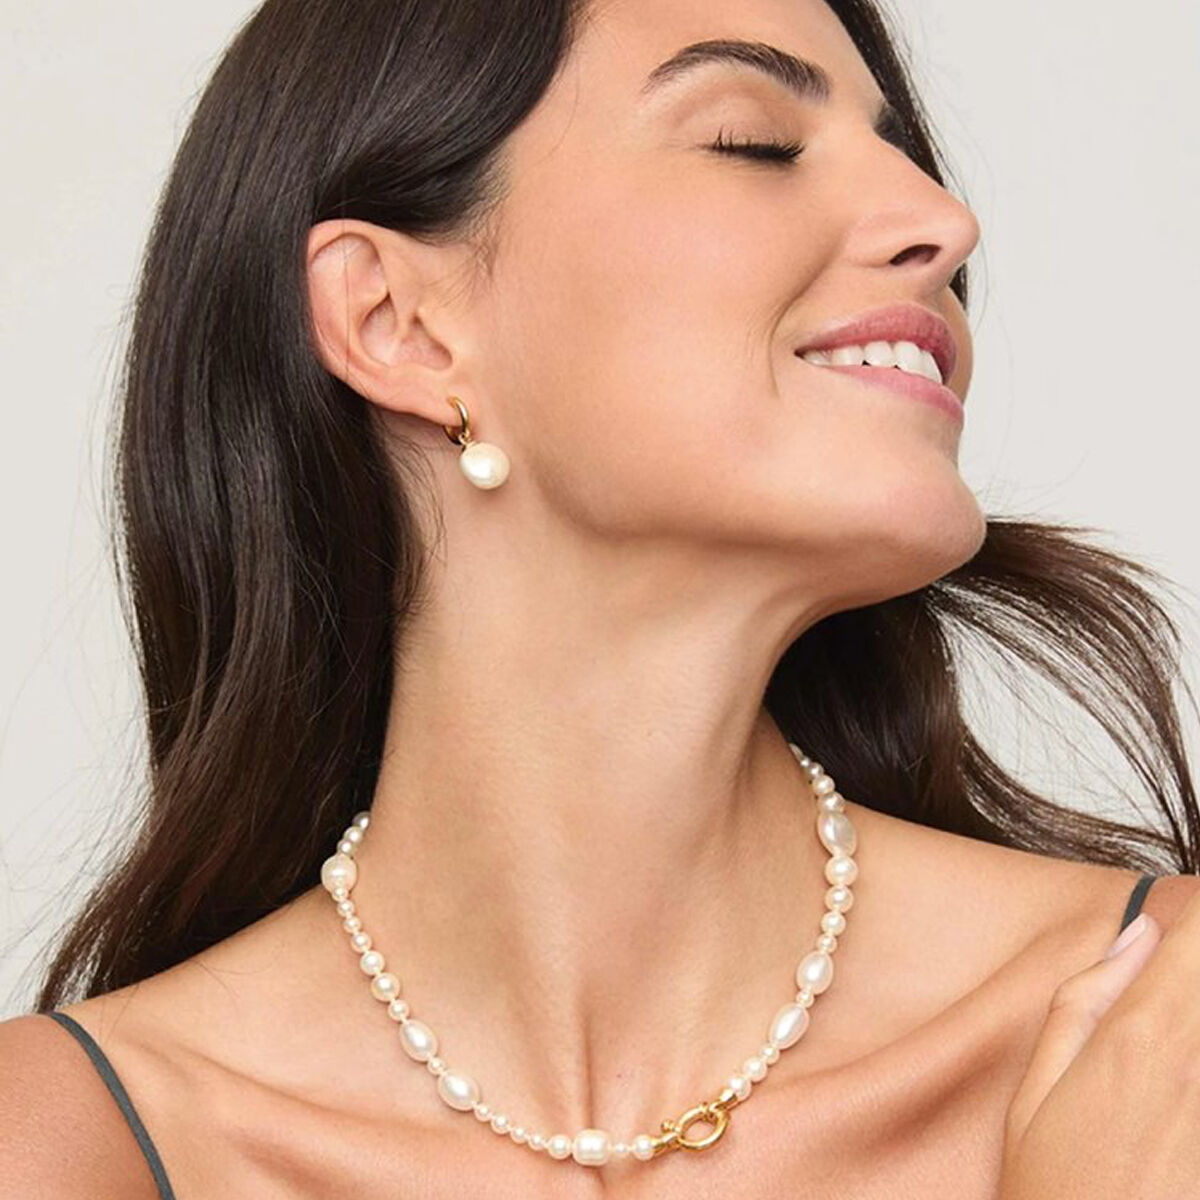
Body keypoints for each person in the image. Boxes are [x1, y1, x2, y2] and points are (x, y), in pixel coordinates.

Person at [3, 0, 1199, 1195]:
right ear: (398, 323)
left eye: (902, 153)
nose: (944, 221)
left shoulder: (1165, 1023)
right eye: (752, 142)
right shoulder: (72, 1139)